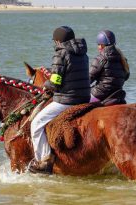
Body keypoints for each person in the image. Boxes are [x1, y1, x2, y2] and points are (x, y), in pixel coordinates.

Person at [29, 26, 90, 174]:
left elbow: (55, 81)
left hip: (67, 100)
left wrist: (45, 85)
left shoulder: (61, 53)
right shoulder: (83, 53)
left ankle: (44, 160)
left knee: (36, 123)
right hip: (85, 97)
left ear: (58, 40)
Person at [89, 30, 130, 104]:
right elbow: (126, 76)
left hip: (100, 94)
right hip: (116, 94)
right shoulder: (123, 58)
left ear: (102, 45)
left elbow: (88, 79)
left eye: (98, 44)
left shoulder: (100, 58)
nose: (98, 47)